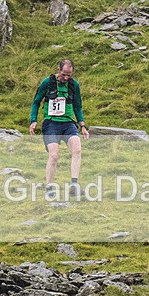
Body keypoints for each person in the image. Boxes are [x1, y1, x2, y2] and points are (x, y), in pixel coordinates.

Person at [29, 59, 89, 198]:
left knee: (77, 148)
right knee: (54, 155)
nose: (66, 78)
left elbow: (78, 106)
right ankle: (49, 188)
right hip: (51, 124)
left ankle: (74, 184)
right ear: (58, 69)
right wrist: (33, 120)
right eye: (63, 74)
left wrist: (82, 125)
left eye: (69, 75)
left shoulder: (74, 85)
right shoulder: (47, 83)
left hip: (68, 123)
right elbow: (36, 102)